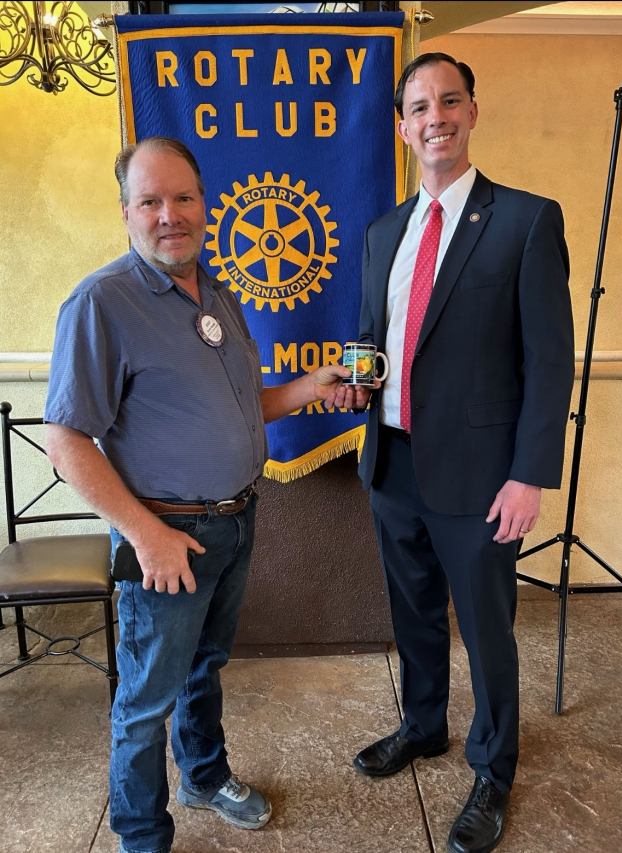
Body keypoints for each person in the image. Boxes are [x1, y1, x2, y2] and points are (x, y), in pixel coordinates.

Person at [44, 136, 365, 853]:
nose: (169, 215)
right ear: (126, 211)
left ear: (205, 204)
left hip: (236, 521)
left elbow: (246, 401)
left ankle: (204, 774)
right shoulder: (103, 302)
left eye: (182, 198)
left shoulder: (218, 292)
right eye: (150, 201)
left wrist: (314, 387)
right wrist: (145, 535)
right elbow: (66, 441)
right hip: (165, 537)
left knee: (204, 666)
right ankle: (141, 835)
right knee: (144, 701)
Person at [343, 53, 574, 853]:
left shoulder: (525, 220)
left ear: (473, 112)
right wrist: (354, 379)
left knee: (487, 627)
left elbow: (550, 359)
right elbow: (375, 340)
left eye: (448, 101)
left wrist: (529, 474)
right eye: (417, 107)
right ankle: (423, 724)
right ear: (403, 127)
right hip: (393, 462)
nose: (433, 117)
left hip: (482, 479)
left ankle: (493, 766)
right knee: (413, 616)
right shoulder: (381, 233)